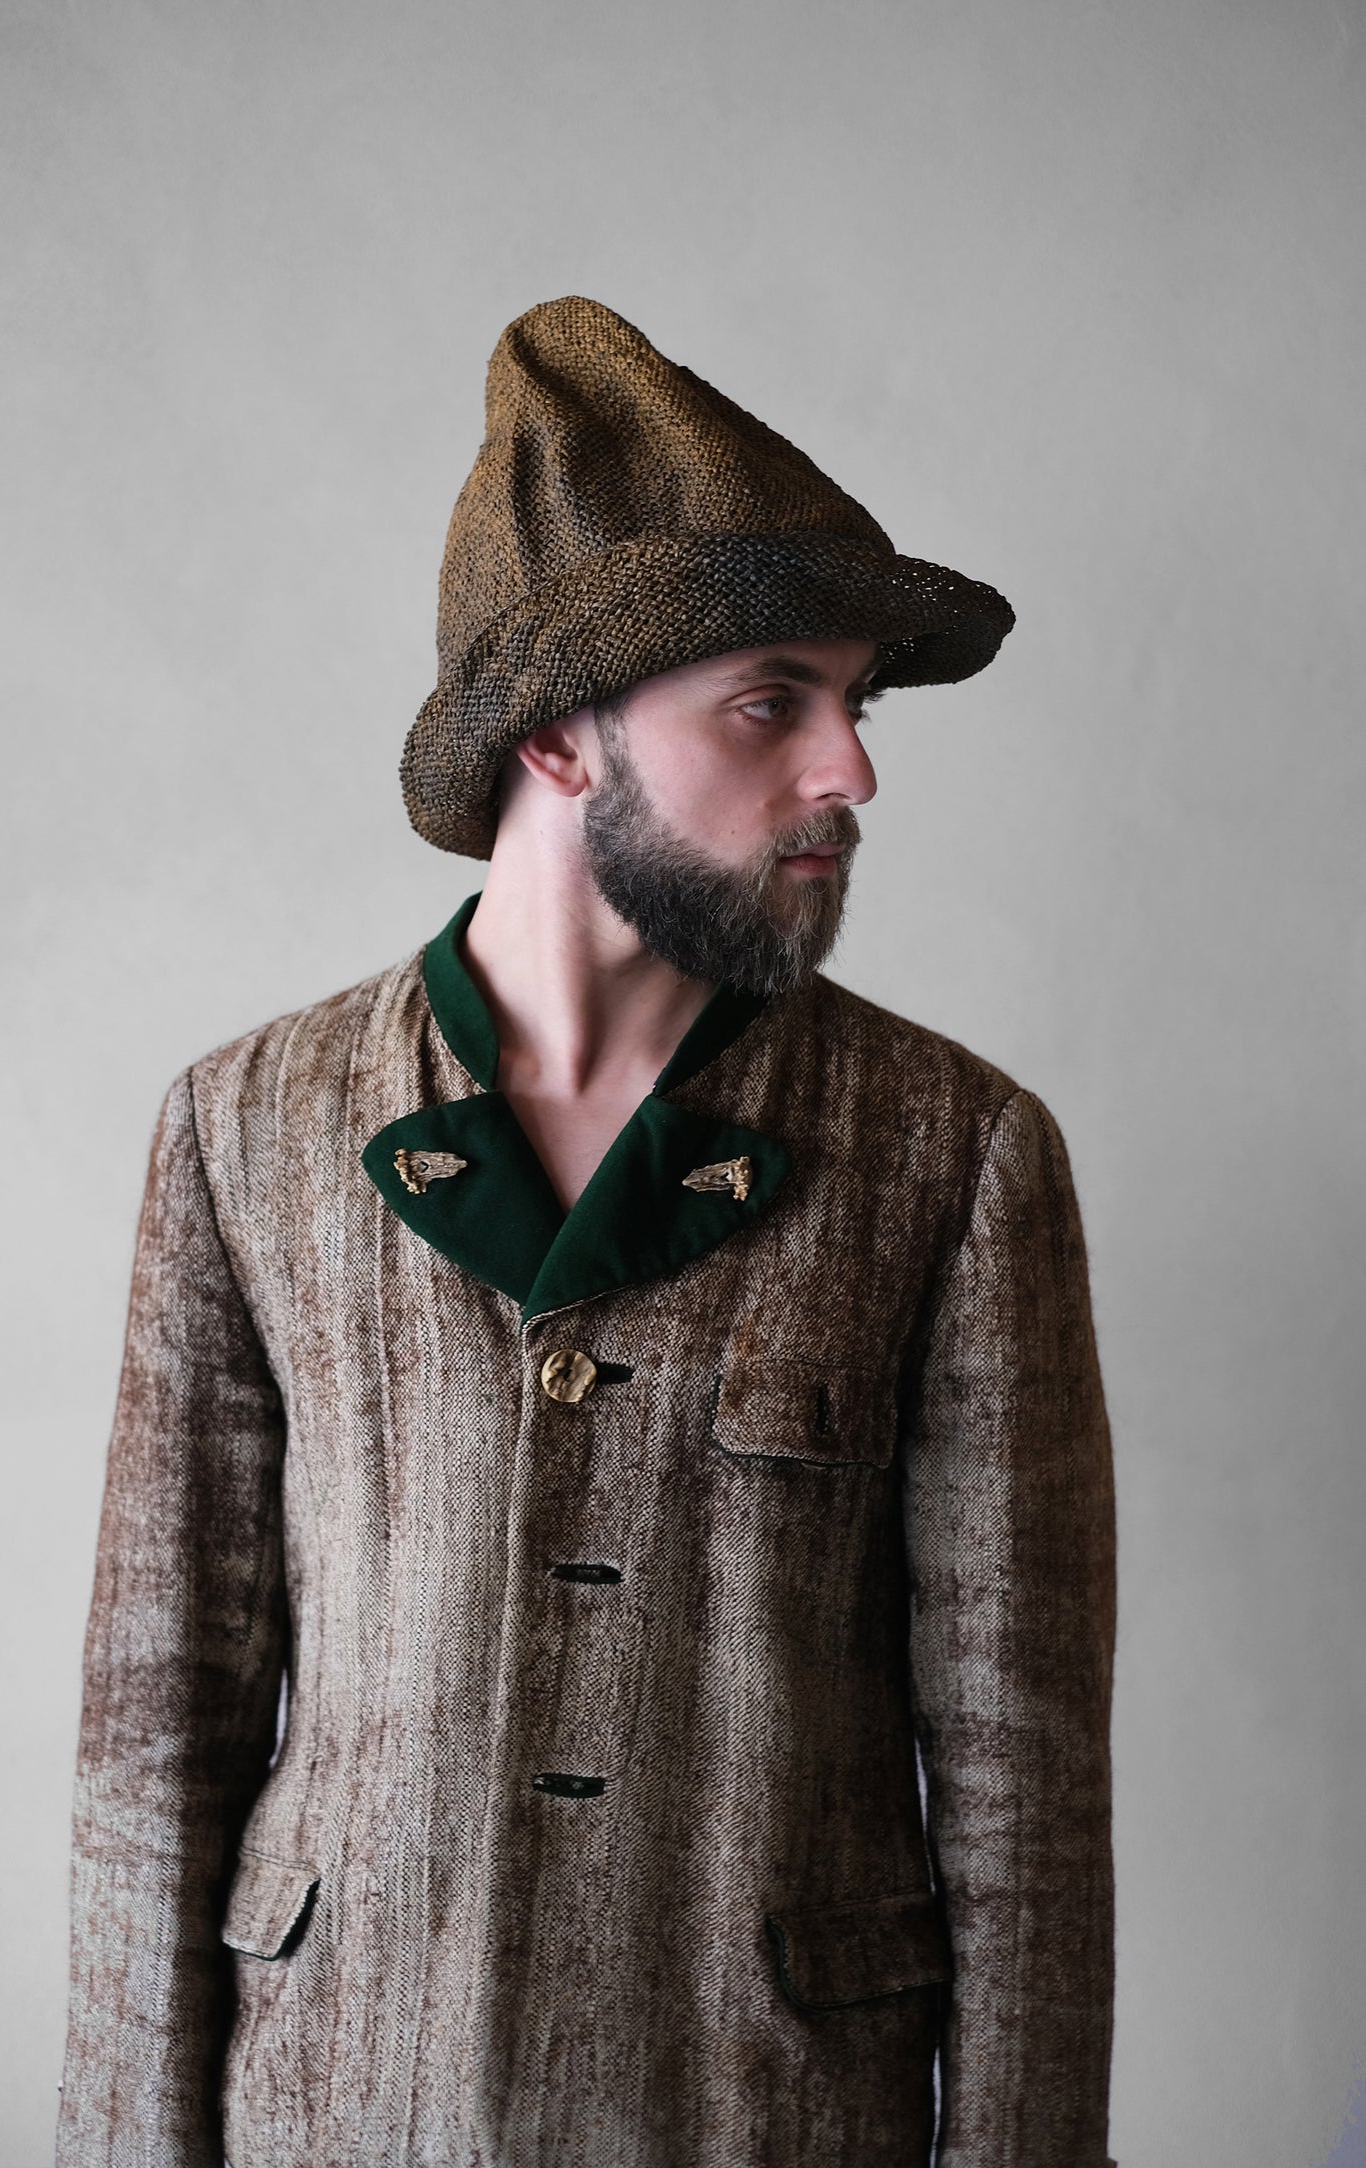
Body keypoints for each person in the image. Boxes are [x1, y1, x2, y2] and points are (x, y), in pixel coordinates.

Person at [57, 296, 1117, 2168]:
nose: (850, 773)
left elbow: (1021, 1780)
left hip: (765, 2113)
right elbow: (159, 1733)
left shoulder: (954, 1155)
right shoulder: (247, 1131)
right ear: (557, 736)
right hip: (347, 2106)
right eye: (770, 703)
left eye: (854, 706)